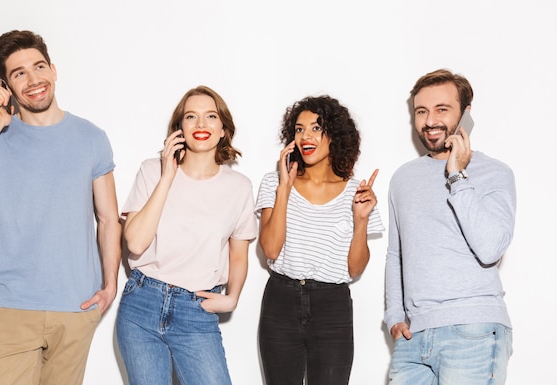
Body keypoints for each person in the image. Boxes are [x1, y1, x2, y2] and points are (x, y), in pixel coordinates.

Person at [0, 30, 121, 385]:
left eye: (38, 67)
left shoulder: (91, 138)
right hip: (13, 309)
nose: (34, 80)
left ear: (53, 69)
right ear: (5, 85)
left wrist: (110, 284)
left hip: (76, 309)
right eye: (19, 73)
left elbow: (108, 218)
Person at [115, 85, 257, 385]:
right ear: (179, 128)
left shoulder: (239, 187)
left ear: (223, 130)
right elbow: (137, 243)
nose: (201, 124)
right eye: (191, 116)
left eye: (210, 116)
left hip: (196, 310)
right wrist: (168, 175)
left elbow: (239, 254)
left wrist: (232, 298)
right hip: (142, 303)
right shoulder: (152, 170)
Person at [385, 69, 515, 384]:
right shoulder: (403, 178)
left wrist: (456, 175)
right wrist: (394, 317)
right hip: (414, 336)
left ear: (465, 115)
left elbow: (491, 249)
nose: (430, 121)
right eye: (421, 111)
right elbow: (396, 254)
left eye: (442, 109)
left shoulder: (495, 173)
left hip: (474, 330)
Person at [255, 95, 384, 385]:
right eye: (299, 129)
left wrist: (361, 219)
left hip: (332, 305)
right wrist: (284, 188)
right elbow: (271, 249)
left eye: (316, 128)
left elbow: (355, 269)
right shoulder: (274, 182)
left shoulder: (355, 190)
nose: (306, 136)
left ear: (335, 135)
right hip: (281, 301)